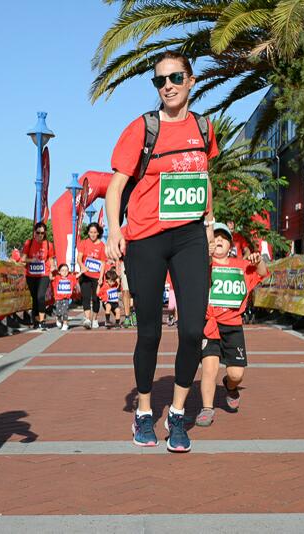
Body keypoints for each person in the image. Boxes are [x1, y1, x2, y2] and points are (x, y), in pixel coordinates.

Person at [105, 51, 219, 452]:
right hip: (147, 237)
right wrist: (114, 230)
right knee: (149, 330)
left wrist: (209, 223)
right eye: (159, 80)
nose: (167, 85)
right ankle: (142, 411)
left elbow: (204, 177)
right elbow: (117, 184)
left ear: (191, 81)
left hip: (188, 235)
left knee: (192, 330)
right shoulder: (143, 128)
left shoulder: (204, 128)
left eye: (174, 77)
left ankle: (177, 414)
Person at [196, 223, 268, 427]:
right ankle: (207, 409)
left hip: (233, 326)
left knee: (236, 374)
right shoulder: (203, 264)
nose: (218, 240)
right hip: (209, 325)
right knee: (209, 370)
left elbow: (262, 273)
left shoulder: (241, 265)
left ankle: (230, 386)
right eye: (214, 237)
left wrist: (258, 260)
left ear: (230, 244)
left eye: (223, 238)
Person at [23, 222, 55, 330]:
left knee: (41, 296)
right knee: (35, 298)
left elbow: (50, 259)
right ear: (34, 232)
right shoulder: (29, 243)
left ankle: (42, 321)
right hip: (31, 274)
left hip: (44, 274)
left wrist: (52, 270)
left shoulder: (48, 244)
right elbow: (23, 259)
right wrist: (32, 260)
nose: (40, 235)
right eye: (38, 232)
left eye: (42, 233)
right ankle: (36, 320)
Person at [77, 222, 105, 329]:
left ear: (98, 233)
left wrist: (101, 277)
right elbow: (79, 258)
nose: (92, 234)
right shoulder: (84, 243)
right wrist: (82, 266)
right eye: (91, 232)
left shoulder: (102, 245)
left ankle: (95, 319)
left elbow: (103, 263)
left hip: (96, 276)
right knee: (86, 297)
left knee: (96, 298)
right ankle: (87, 319)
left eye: (95, 232)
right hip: (85, 275)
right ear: (88, 232)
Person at [52, 263, 77, 331]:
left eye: (66, 270)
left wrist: (82, 271)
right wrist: (51, 271)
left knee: (65, 311)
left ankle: (65, 324)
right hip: (58, 298)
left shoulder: (70, 277)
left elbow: (76, 277)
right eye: (62, 270)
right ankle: (58, 319)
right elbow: (51, 277)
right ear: (59, 272)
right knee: (58, 311)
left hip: (66, 298)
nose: (65, 272)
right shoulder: (57, 278)